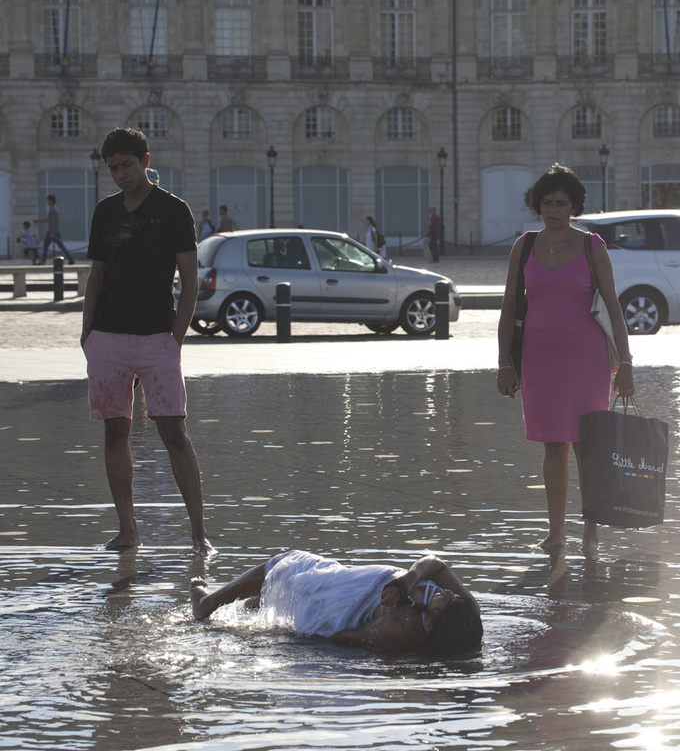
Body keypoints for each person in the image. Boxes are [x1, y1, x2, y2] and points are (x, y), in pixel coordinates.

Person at [81, 126, 214, 556]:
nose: (120, 175)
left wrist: (175, 338)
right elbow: (96, 278)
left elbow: (190, 281)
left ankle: (199, 534)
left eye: (127, 165)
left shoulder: (173, 210)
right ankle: (128, 529)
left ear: (145, 161)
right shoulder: (105, 212)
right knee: (114, 433)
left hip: (157, 337)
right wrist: (87, 335)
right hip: (108, 337)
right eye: (113, 168)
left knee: (174, 432)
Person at [496, 163, 634, 559]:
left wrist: (625, 363)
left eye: (561, 203)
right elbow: (508, 310)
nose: (553, 209)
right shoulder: (524, 246)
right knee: (552, 447)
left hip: (587, 359)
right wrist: (505, 363)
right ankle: (556, 532)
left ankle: (591, 532)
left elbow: (613, 307)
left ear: (574, 207)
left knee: (587, 448)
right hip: (539, 358)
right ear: (537, 206)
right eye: (546, 203)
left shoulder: (593, 247)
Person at [189, 550, 482, 656]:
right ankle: (255, 602)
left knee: (287, 566)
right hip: (354, 582)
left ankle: (208, 604)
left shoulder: (398, 632)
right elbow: (435, 563)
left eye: (444, 601)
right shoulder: (466, 609)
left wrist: (379, 616)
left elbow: (345, 637)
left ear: (429, 625)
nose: (448, 594)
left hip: (342, 605)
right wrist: (408, 580)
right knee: (284, 588)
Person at [36, 194, 75, 265]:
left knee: (45, 247)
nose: (47, 201)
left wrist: (52, 232)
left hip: (52, 231)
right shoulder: (54, 209)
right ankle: (71, 259)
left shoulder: (53, 210)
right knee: (62, 247)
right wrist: (39, 221)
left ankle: (42, 261)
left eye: (47, 200)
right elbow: (49, 219)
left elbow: (53, 222)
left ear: (50, 200)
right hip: (55, 231)